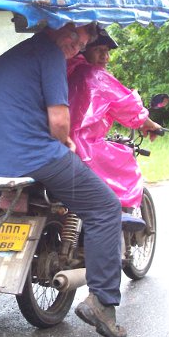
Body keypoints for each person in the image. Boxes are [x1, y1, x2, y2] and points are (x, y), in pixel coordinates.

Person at [0, 22, 127, 337]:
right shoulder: (50, 55)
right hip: (30, 157)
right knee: (106, 208)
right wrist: (67, 143)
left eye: (83, 42)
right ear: (59, 28)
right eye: (76, 36)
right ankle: (103, 302)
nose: (79, 45)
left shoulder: (19, 53)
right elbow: (59, 120)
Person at [66, 27, 161, 216]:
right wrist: (150, 124)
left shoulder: (66, 70)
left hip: (57, 142)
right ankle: (122, 217)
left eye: (107, 52)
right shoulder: (95, 75)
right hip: (83, 145)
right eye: (99, 51)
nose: (106, 57)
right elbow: (127, 105)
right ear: (84, 50)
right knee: (126, 168)